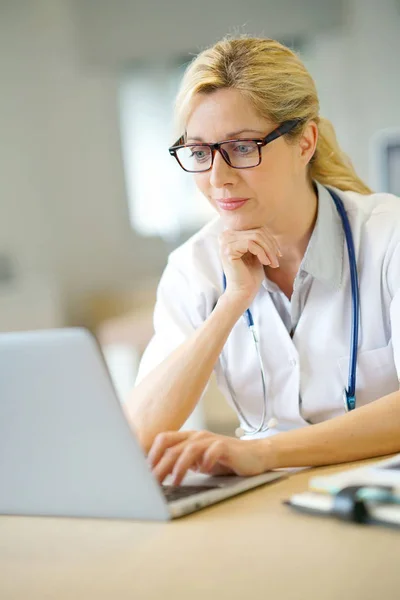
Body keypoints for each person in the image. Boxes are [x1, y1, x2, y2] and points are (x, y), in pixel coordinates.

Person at [124, 35, 400, 486]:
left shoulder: (389, 237)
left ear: (305, 141)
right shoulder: (192, 267)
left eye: (241, 147)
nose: (217, 179)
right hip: (264, 503)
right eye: (199, 152)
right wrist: (232, 303)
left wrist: (264, 452)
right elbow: (139, 435)